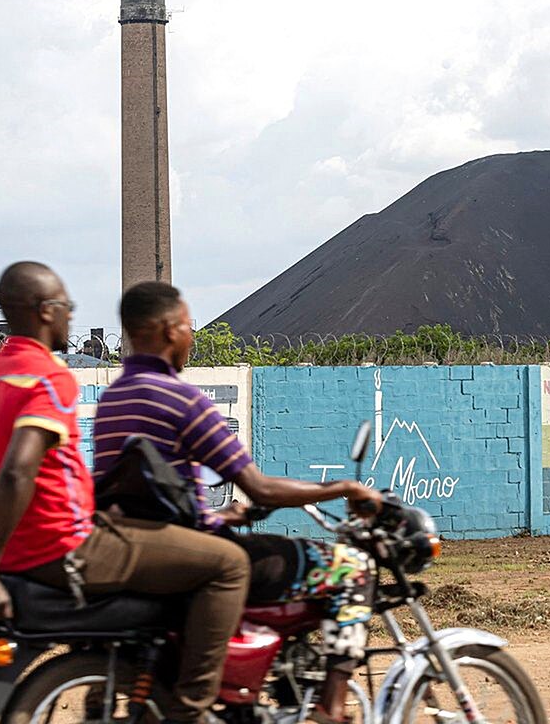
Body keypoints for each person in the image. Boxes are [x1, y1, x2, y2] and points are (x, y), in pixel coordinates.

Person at [0, 262, 249, 724]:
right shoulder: (47, 377)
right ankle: (190, 710)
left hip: (20, 556)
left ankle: (115, 686)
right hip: (69, 548)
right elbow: (17, 472)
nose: (72, 316)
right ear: (45, 311)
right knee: (229, 564)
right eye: (67, 307)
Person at [93, 281, 383, 724]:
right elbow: (260, 488)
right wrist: (345, 488)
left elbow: (147, 492)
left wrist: (217, 515)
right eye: (188, 326)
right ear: (170, 331)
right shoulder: (182, 399)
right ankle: (332, 707)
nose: (192, 336)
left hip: (143, 546)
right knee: (352, 567)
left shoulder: (113, 399)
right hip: (194, 554)